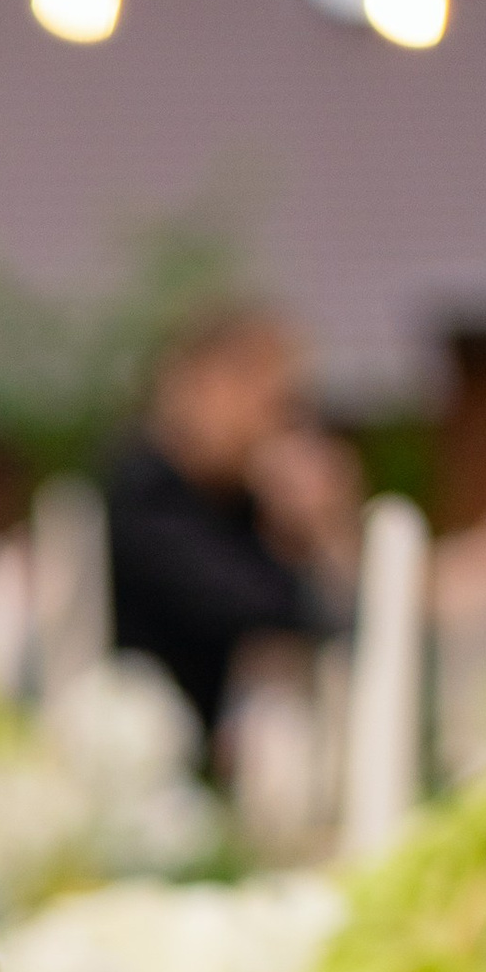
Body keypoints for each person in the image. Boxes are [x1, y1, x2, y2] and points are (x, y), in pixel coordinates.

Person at [102, 306, 357, 744]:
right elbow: (278, 610)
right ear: (207, 387)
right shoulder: (146, 497)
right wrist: (317, 527)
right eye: (273, 406)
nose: (280, 431)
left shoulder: (232, 501)